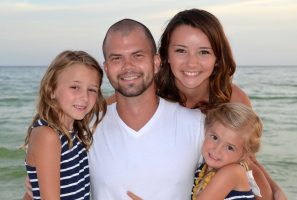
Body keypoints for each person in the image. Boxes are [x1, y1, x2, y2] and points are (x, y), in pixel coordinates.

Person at [155, 8, 286, 200]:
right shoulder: (149, 92)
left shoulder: (233, 98)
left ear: (217, 59)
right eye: (181, 50)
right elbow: (101, 108)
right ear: (165, 55)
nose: (192, 63)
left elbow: (247, 158)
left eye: (204, 52)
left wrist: (275, 189)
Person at [88, 18, 205, 199]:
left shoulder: (197, 124)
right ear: (106, 67)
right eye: (117, 58)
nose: (128, 66)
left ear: (156, 62)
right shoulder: (86, 128)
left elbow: (247, 187)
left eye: (138, 55)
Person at [23, 50, 107, 199]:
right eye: (75, 87)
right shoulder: (48, 136)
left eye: (92, 89)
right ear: (51, 90)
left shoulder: (74, 131)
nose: (85, 97)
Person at [192, 103, 262, 200]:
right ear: (206, 130)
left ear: (244, 154)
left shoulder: (232, 172)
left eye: (230, 147)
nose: (217, 150)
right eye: (215, 137)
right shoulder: (202, 169)